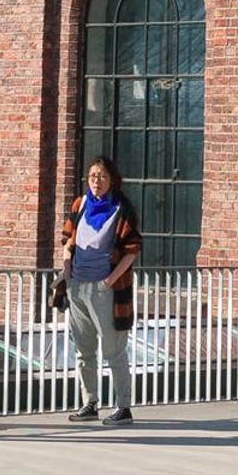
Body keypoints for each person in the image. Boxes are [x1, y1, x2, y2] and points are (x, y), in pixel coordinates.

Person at [59, 156, 142, 426]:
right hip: (78, 287)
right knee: (84, 350)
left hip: (106, 290)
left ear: (112, 181)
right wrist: (67, 269)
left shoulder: (121, 210)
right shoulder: (80, 204)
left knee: (114, 350)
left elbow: (132, 250)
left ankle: (123, 407)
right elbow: (67, 239)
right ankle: (90, 402)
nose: (97, 181)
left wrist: (109, 281)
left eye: (102, 177)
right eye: (93, 176)